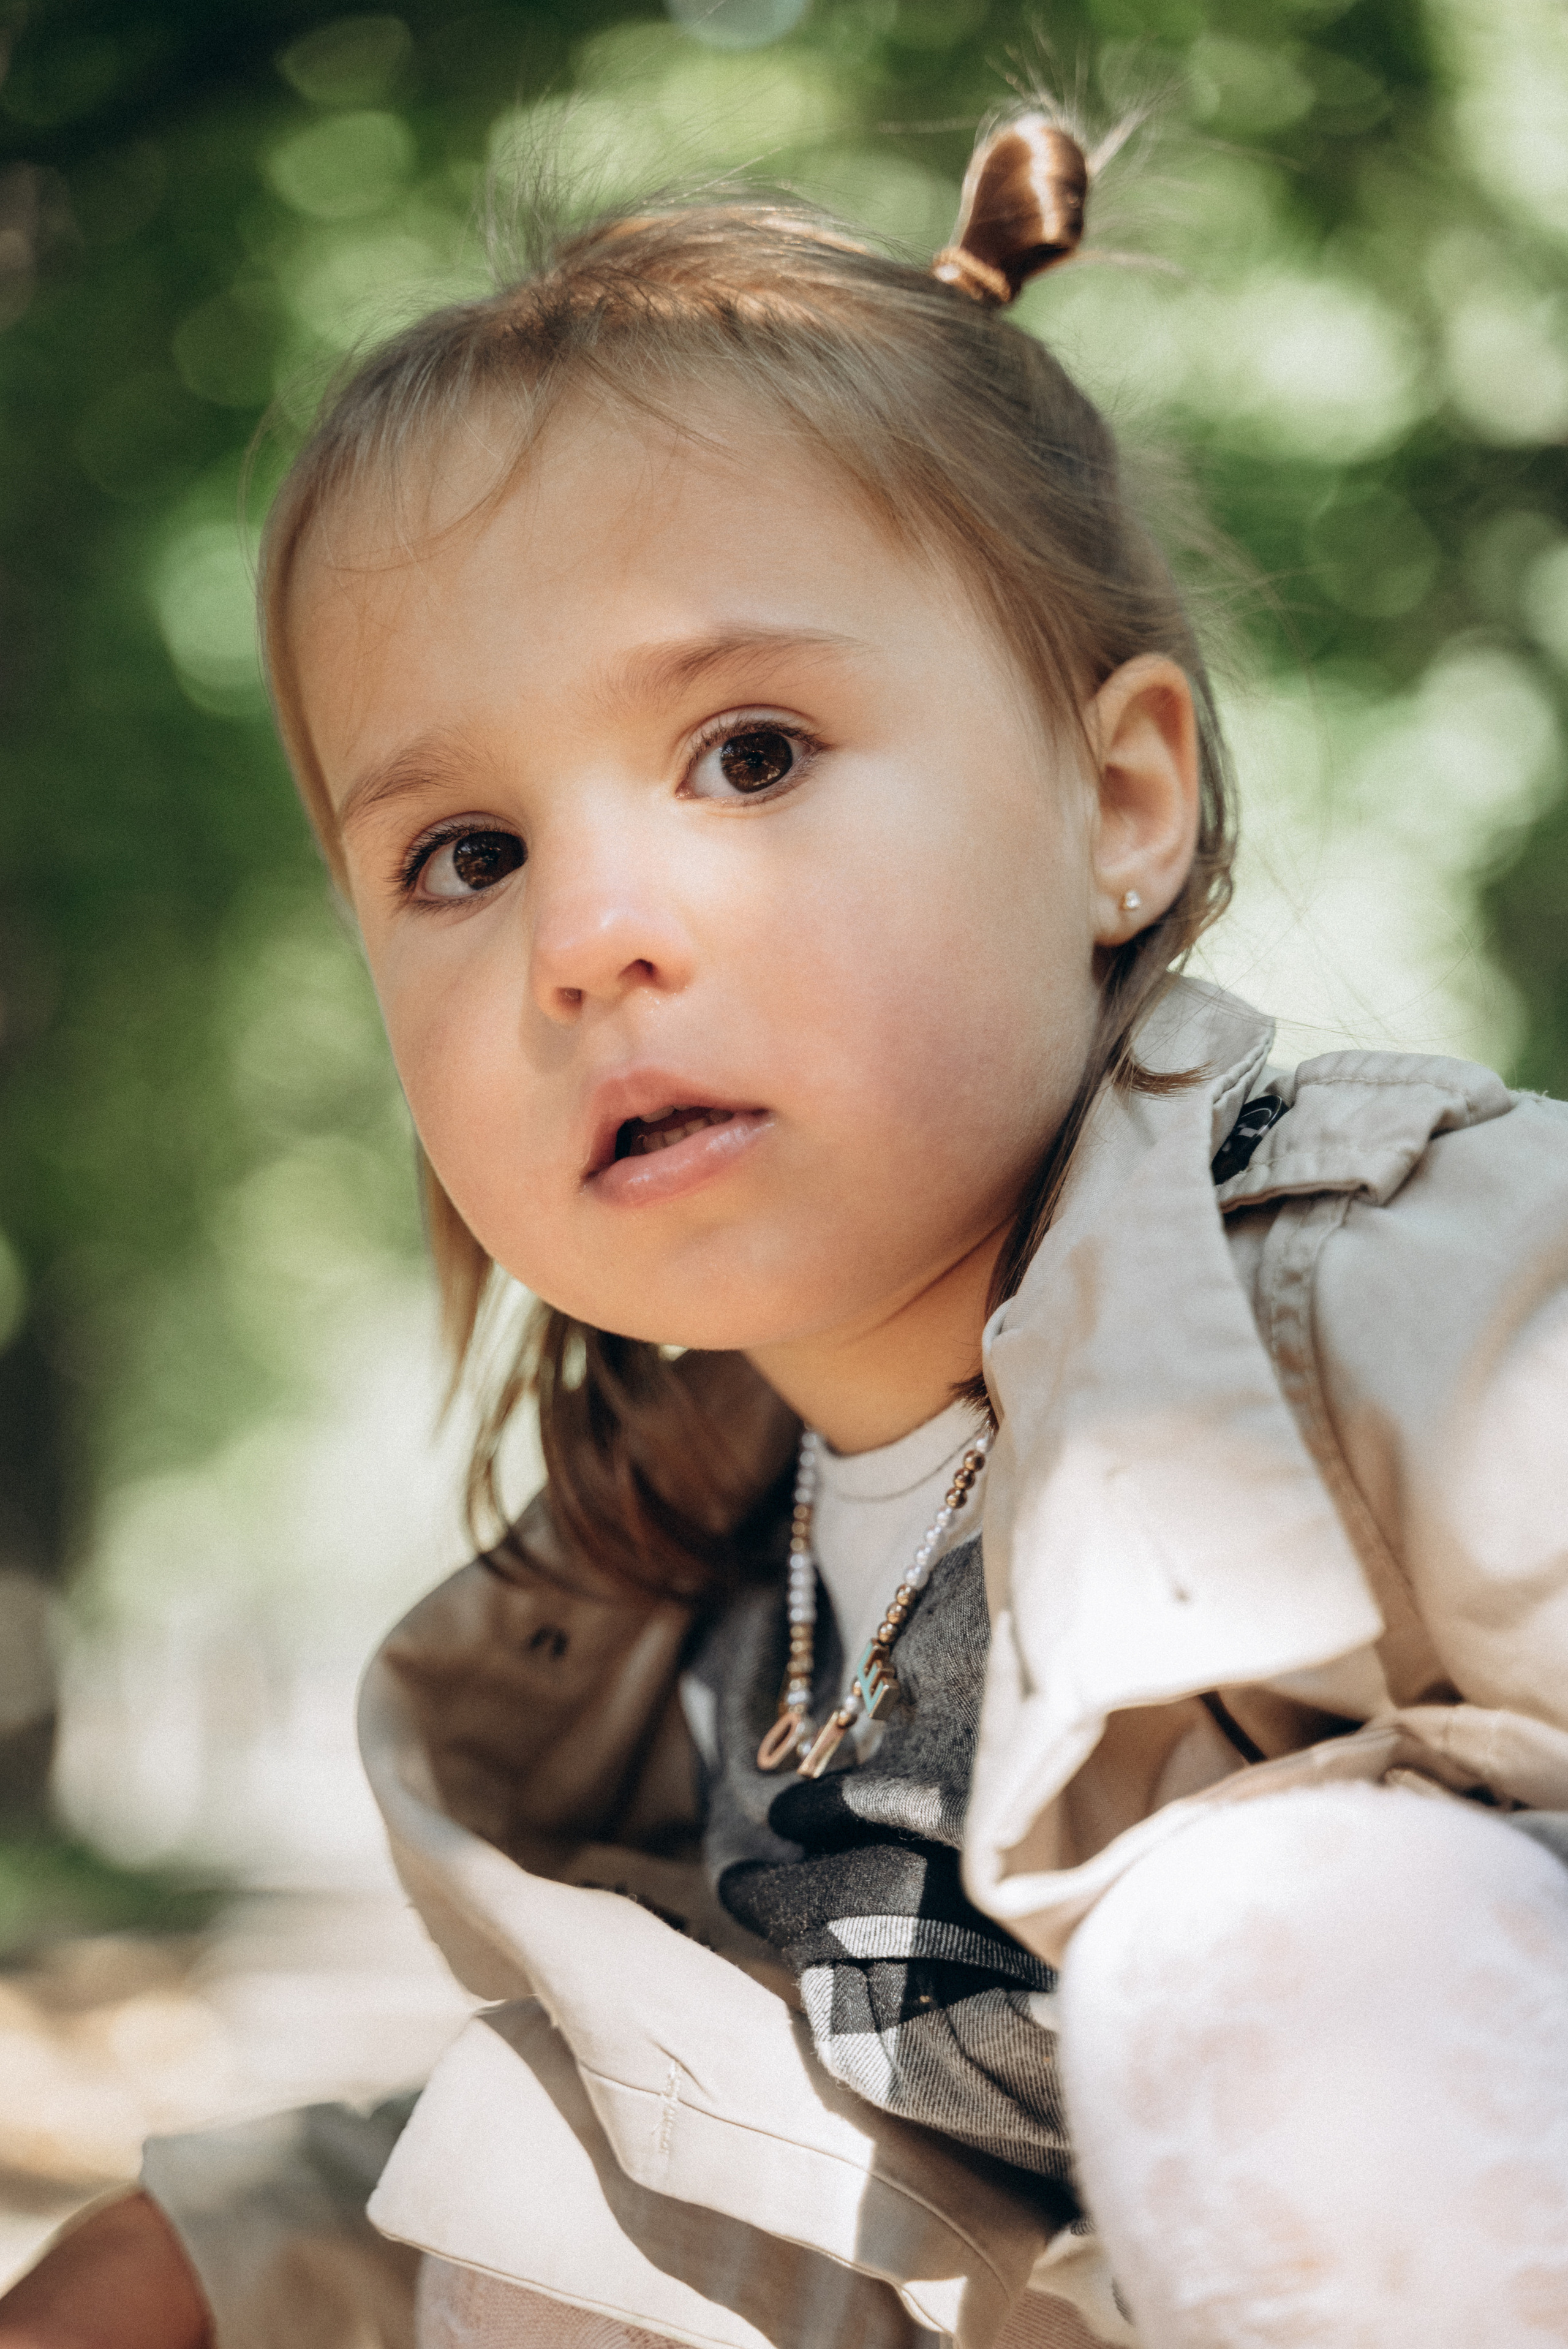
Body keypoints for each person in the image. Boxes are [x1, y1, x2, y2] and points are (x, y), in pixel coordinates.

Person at [5, 104, 1567, 2349]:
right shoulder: (688, 1583)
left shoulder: (1395, 1280)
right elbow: (756, 2127)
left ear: (1119, 805)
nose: (593, 938)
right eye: (466, 853)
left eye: (748, 752)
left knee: (1302, 1945)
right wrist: (233, 2256)